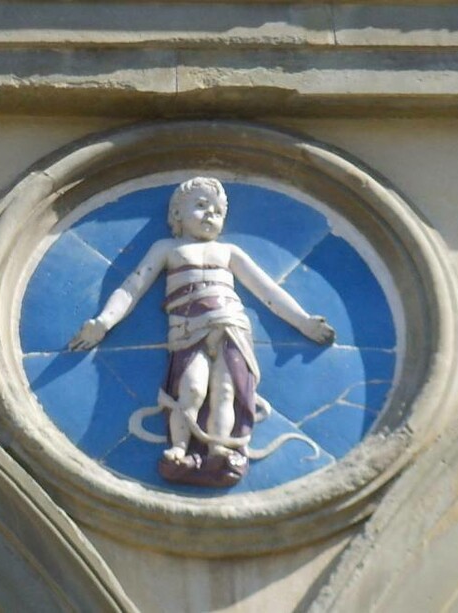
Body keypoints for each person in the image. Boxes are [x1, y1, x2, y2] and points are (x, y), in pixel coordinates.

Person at [70, 177, 334, 486]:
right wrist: (104, 322)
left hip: (231, 325)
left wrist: (303, 321)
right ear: (177, 214)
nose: (210, 214)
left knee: (226, 391)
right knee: (192, 389)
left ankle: (219, 449)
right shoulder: (167, 248)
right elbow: (132, 287)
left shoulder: (229, 252)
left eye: (218, 211)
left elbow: (268, 291)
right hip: (187, 329)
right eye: (200, 205)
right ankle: (179, 448)